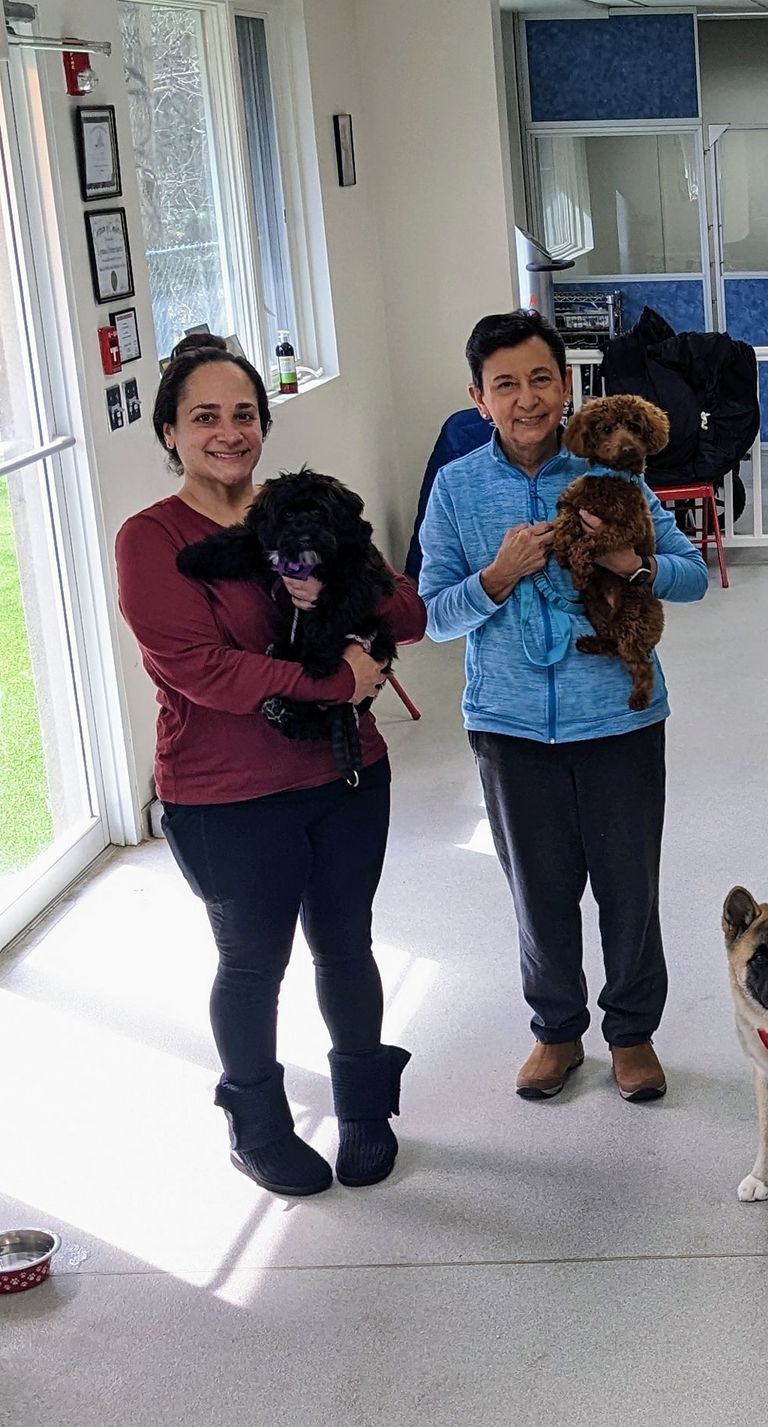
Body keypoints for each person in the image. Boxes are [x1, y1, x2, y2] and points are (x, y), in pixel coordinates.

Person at [115, 333, 425, 1197]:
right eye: (204, 416)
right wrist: (336, 679)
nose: (229, 432)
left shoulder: (304, 509)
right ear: (171, 431)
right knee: (253, 962)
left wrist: (343, 578)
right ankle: (257, 1126)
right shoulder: (151, 540)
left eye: (244, 414)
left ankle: (365, 1107)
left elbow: (407, 611)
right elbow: (201, 668)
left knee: (347, 944)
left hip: (345, 775)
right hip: (227, 795)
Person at [418, 310, 708, 1104]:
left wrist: (632, 563)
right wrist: (497, 576)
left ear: (567, 385)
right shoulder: (457, 487)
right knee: (539, 892)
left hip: (618, 720)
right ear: (479, 398)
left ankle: (632, 1033)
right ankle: (556, 1031)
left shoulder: (617, 476)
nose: (528, 399)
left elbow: (690, 574)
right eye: (506, 384)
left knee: (628, 888)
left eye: (541, 378)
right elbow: (431, 614)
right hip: (508, 726)